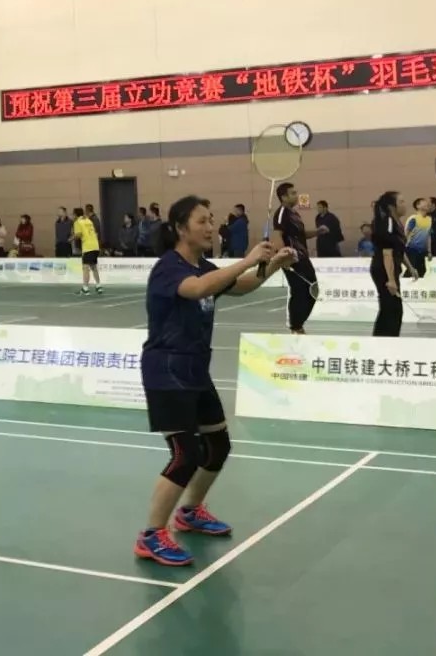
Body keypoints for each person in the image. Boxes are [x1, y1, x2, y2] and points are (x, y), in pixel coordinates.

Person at [135, 196, 293, 567]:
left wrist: (273, 265)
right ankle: (151, 535)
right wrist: (247, 259)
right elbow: (197, 289)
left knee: (218, 445)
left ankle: (189, 512)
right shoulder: (169, 268)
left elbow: (240, 286)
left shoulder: (204, 266)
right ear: (180, 228)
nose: (211, 228)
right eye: (202, 221)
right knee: (186, 454)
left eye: (212, 220)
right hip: (167, 370)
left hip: (195, 370)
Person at [272, 183, 325, 335]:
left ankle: (298, 325)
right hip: (292, 259)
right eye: (293, 193)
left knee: (313, 290)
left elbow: (301, 235)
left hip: (303, 258)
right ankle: (296, 327)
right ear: (284, 197)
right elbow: (277, 235)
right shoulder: (282, 213)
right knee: (299, 292)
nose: (296, 196)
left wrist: (317, 232)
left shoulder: (294, 214)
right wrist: (284, 257)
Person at [371, 191, 408, 337]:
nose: (405, 205)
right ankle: (386, 339)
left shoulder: (396, 223)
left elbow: (399, 249)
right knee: (392, 308)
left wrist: (410, 267)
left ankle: (382, 338)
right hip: (384, 269)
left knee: (391, 307)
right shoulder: (388, 222)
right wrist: (391, 279)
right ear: (392, 206)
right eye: (401, 202)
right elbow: (387, 251)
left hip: (390, 268)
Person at [71, 207, 102, 295]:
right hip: (95, 245)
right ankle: (98, 286)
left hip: (88, 247)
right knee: (93, 267)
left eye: (73, 214)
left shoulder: (77, 222)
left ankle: (85, 288)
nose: (72, 216)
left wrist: (71, 238)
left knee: (85, 267)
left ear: (76, 215)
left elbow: (78, 234)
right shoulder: (88, 220)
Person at [404, 198, 432, 279]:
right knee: (411, 270)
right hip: (412, 249)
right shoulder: (414, 218)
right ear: (417, 206)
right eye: (424, 202)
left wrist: (429, 251)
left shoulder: (429, 219)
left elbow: (428, 236)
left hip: (422, 251)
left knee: (422, 271)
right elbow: (407, 233)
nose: (427, 204)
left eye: (427, 203)